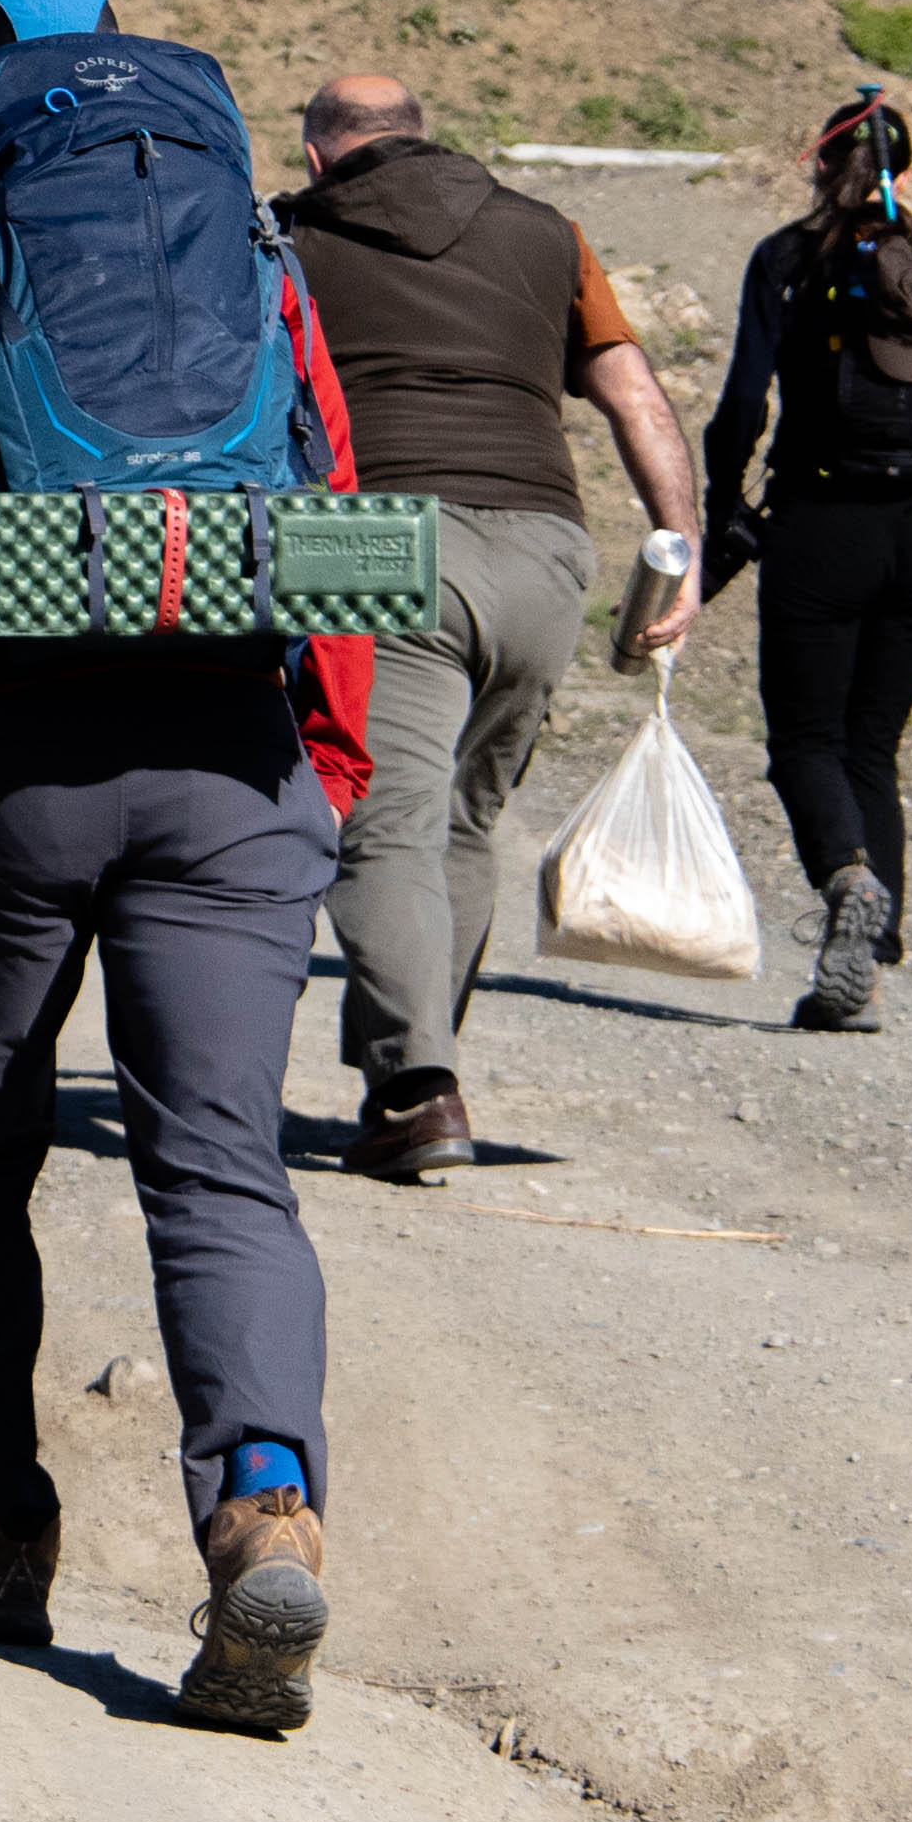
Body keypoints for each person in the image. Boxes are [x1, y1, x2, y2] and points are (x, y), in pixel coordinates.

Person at [0, 0, 377, 1736]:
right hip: (232, 755)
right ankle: (265, 1503)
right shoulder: (252, 259)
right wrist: (324, 757)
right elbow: (329, 490)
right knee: (221, 1167)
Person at [279, 73, 709, 1185]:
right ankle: (418, 1068)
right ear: (425, 137)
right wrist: (680, 547)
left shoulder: (286, 235)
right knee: (465, 821)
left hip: (371, 536)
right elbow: (635, 395)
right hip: (542, 549)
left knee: (383, 821)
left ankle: (417, 1088)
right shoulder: (544, 230)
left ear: (321, 155)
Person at [697, 89, 912, 1037]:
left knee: (805, 744)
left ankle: (846, 878)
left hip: (822, 521)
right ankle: (863, 973)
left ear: (821, 167)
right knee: (874, 747)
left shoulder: (786, 263)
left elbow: (744, 401)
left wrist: (725, 512)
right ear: (903, 174)